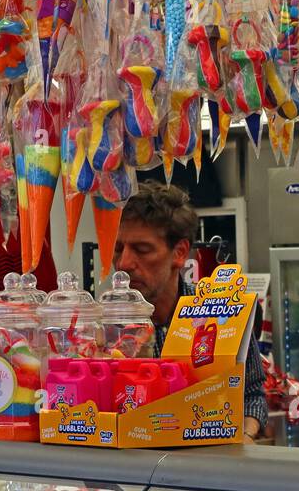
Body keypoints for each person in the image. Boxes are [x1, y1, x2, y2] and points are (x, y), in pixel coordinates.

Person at [115, 182, 268, 442]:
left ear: (180, 252)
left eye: (142, 250)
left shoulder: (220, 314)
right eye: (118, 249)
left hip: (200, 472)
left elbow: (252, 395)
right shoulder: (101, 326)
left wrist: (245, 437)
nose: (124, 263)